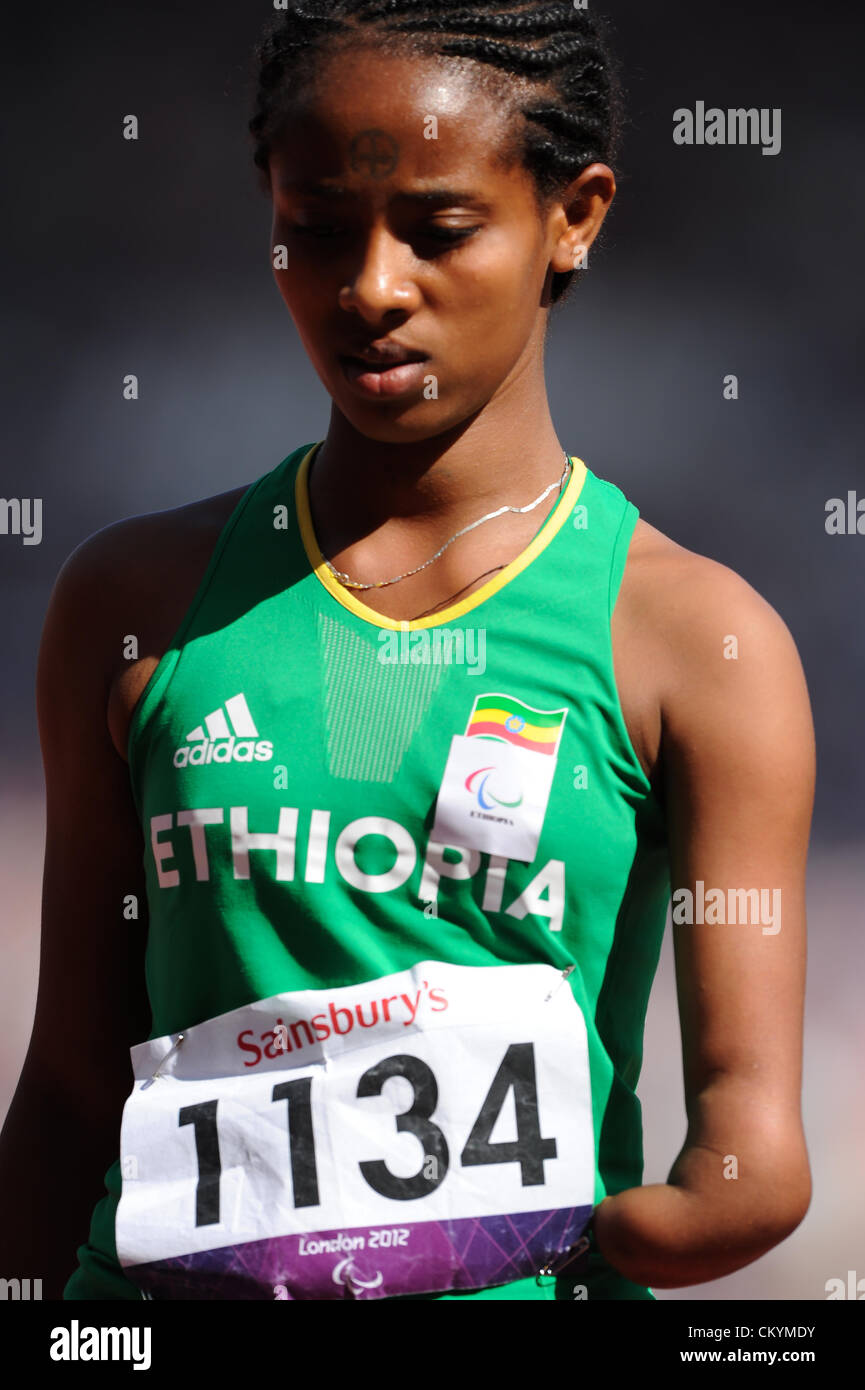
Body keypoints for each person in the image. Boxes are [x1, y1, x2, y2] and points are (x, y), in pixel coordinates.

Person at [0, 0, 814, 1302]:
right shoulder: (134, 601)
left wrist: (552, 1234)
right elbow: (72, 1083)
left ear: (576, 215)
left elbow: (750, 1157)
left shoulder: (695, 643)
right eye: (316, 229)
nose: (369, 285)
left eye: (438, 230)